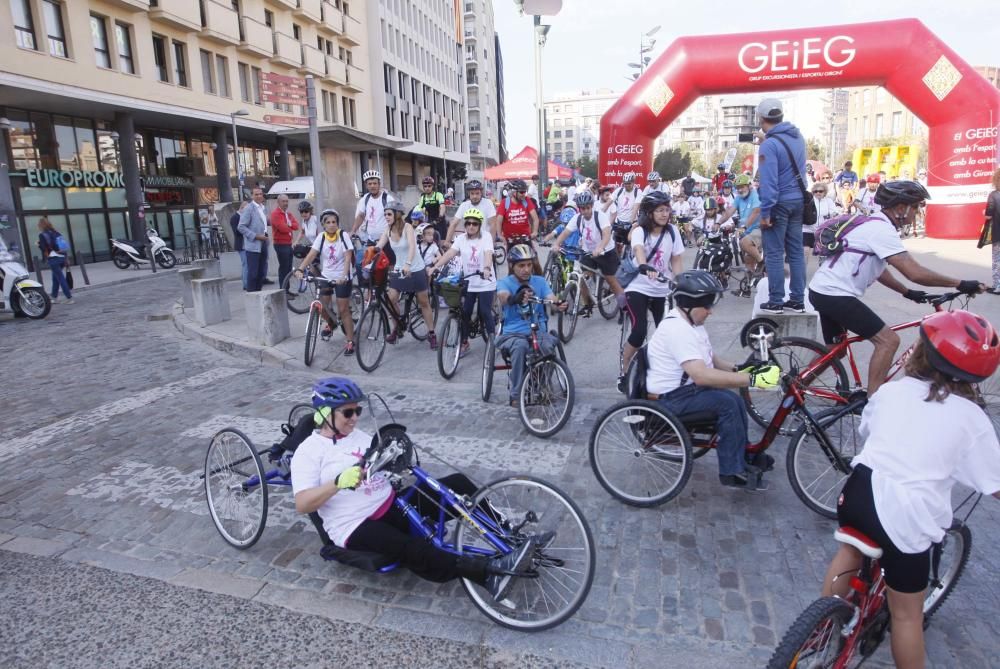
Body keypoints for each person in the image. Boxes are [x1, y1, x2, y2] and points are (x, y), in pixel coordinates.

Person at [819, 310, 1000, 669]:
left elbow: (869, 432)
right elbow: (993, 483)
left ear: (921, 352)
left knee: (851, 550)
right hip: (906, 518)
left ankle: (822, 627)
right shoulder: (972, 419)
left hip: (858, 493)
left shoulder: (893, 391)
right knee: (906, 618)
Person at [291, 377, 537, 598]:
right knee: (415, 549)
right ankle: (488, 575)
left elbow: (381, 460)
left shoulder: (360, 436)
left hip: (391, 504)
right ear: (324, 413)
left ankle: (510, 537)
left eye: (358, 410)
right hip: (355, 525)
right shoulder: (309, 452)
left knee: (457, 485)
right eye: (348, 413)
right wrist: (337, 483)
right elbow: (303, 504)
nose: (355, 417)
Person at [808, 180, 984, 397]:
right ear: (901, 207)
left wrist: (906, 292)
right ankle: (874, 403)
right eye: (917, 206)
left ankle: (799, 382)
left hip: (824, 290)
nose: (918, 213)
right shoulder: (881, 230)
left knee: (837, 350)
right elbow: (915, 273)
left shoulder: (875, 224)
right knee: (888, 341)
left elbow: (879, 269)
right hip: (835, 293)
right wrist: (960, 283)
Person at [646, 270, 780, 490]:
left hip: (686, 390)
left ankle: (743, 454)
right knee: (726, 403)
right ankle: (731, 471)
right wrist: (752, 379)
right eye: (707, 306)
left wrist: (739, 368)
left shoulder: (692, 324)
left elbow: (710, 359)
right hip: (670, 398)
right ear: (689, 305)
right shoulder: (677, 329)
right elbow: (701, 376)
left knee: (734, 398)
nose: (711, 312)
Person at [618, 191, 686, 391]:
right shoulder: (640, 231)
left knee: (666, 333)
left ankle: (662, 372)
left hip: (662, 289)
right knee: (639, 331)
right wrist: (643, 266)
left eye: (667, 210)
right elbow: (638, 249)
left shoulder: (673, 231)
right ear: (649, 213)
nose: (665, 214)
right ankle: (624, 370)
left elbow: (676, 260)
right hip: (638, 286)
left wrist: (680, 283)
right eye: (660, 210)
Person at [495, 245, 567, 407]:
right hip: (513, 332)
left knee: (548, 347)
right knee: (520, 347)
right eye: (521, 265)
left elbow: (551, 298)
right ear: (512, 266)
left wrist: (559, 304)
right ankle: (515, 394)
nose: (526, 269)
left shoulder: (540, 282)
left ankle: (540, 385)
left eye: (529, 265)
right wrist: (515, 298)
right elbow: (503, 297)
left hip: (537, 330)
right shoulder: (504, 282)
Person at [756, 97, 808, 314]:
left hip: (778, 203)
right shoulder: (798, 137)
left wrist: (766, 212)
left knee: (775, 253)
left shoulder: (769, 144)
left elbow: (769, 183)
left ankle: (776, 300)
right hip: (798, 201)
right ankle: (797, 299)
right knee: (795, 252)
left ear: (761, 118)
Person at [428, 208, 497, 357]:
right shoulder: (460, 239)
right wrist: (435, 267)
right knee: (465, 312)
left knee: (485, 312)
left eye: (474, 224)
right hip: (469, 281)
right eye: (468, 223)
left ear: (479, 225)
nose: (471, 226)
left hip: (485, 281)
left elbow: (488, 253)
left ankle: (493, 342)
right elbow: (450, 254)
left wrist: (486, 268)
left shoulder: (486, 237)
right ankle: (464, 342)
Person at [293, 209, 357, 356]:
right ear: (323, 224)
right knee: (322, 307)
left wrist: (343, 275)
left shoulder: (343, 236)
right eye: (328, 222)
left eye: (334, 222)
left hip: (342, 277)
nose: (332, 225)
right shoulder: (321, 237)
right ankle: (331, 323)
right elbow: (311, 254)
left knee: (343, 310)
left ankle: (350, 341)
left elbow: (348, 257)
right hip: (326, 276)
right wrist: (301, 269)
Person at [375, 202, 438, 350]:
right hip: (399, 268)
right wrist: (370, 253)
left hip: (415, 268)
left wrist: (408, 264)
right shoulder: (388, 229)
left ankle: (431, 333)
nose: (386, 217)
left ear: (397, 214)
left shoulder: (408, 227)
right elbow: (379, 246)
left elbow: (412, 246)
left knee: (423, 302)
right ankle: (397, 328)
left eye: (389, 214)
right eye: (385, 214)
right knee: (391, 299)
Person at [552, 191, 624, 309]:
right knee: (583, 279)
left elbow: (606, 234)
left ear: (591, 206)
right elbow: (566, 232)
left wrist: (600, 247)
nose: (585, 211)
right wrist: (556, 244)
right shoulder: (577, 218)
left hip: (606, 252)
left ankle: (624, 308)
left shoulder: (600, 216)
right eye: (582, 208)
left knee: (611, 280)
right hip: (587, 252)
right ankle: (587, 305)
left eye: (587, 208)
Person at [717, 174, 762, 279]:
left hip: (757, 228)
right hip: (746, 231)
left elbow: (756, 212)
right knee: (747, 260)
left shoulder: (754, 195)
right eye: (738, 188)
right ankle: (747, 287)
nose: (740, 190)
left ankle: (762, 262)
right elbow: (729, 212)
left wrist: (744, 227)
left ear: (748, 185)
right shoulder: (738, 198)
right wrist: (718, 223)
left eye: (742, 187)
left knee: (743, 243)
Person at [238, 186, 270, 292]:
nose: (259, 196)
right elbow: (241, 227)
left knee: (262, 272)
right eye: (256, 194)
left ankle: (258, 295)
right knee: (253, 273)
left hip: (264, 242)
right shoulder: (249, 208)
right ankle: (252, 296)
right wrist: (256, 236)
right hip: (253, 245)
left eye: (260, 194)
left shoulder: (262, 208)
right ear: (252, 196)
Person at [447, 180, 497, 246]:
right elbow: (454, 223)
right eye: (472, 193)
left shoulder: (488, 203)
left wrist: (491, 244)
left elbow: (493, 225)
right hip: (469, 242)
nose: (475, 196)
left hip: (484, 242)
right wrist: (447, 241)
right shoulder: (464, 205)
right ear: (468, 194)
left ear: (481, 193)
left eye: (477, 193)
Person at [36, 217, 73, 304]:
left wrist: (38, 245)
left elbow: (44, 248)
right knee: (55, 277)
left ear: (41, 226)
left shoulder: (42, 235)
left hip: (53, 258)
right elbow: (63, 246)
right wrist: (66, 258)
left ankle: (69, 298)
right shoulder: (56, 232)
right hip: (62, 257)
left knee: (60, 278)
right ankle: (54, 297)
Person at [353, 170, 394, 244]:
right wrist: (353, 231)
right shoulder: (365, 199)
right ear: (366, 185)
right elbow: (361, 216)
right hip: (370, 240)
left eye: (375, 183)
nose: (372, 186)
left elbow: (396, 217)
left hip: (387, 240)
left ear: (379, 184)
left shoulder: (387, 199)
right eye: (370, 184)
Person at [495, 179, 539, 248]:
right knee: (511, 258)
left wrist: (535, 231)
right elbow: (498, 221)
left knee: (534, 256)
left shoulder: (527, 200)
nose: (524, 194)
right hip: (510, 239)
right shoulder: (505, 202)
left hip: (525, 237)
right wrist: (500, 235)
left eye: (525, 192)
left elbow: (535, 218)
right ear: (514, 192)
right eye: (521, 192)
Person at [270, 194, 300, 291]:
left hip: (288, 244)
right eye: (283, 201)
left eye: (287, 201)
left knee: (288, 268)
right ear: (278, 202)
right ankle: (283, 291)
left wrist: (289, 224)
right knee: (284, 268)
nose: (286, 203)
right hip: (280, 244)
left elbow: (296, 226)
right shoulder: (275, 214)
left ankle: (286, 290)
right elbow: (282, 229)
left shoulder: (288, 214)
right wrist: (289, 226)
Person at [230, 201, 249, 290]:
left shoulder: (244, 217)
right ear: (242, 208)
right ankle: (245, 284)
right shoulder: (235, 217)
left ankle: (247, 282)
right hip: (241, 245)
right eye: (246, 209)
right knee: (245, 264)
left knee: (247, 264)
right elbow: (237, 231)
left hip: (247, 244)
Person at [987, 168, 1000, 294]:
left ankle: (998, 286)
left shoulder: (993, 195)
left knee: (997, 260)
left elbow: (988, 215)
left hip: (998, 233)